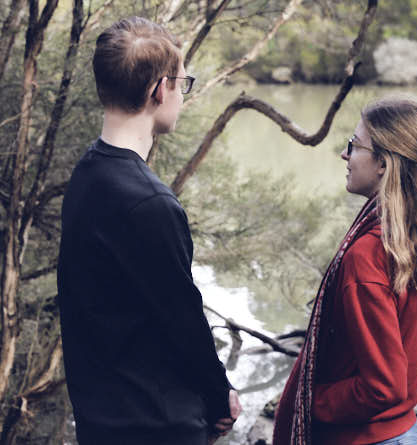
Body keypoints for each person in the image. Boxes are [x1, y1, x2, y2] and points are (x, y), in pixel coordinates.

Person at [57, 17, 241, 445]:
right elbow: (182, 320)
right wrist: (220, 399)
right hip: (155, 426)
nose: (181, 93)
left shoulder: (87, 173)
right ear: (160, 90)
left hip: (101, 421)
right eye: (182, 82)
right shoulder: (149, 204)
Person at [273, 98, 417, 445]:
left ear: (382, 163)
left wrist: (310, 400)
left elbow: (383, 386)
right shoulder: (415, 239)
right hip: (404, 432)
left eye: (354, 145)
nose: (345, 155)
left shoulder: (368, 255)